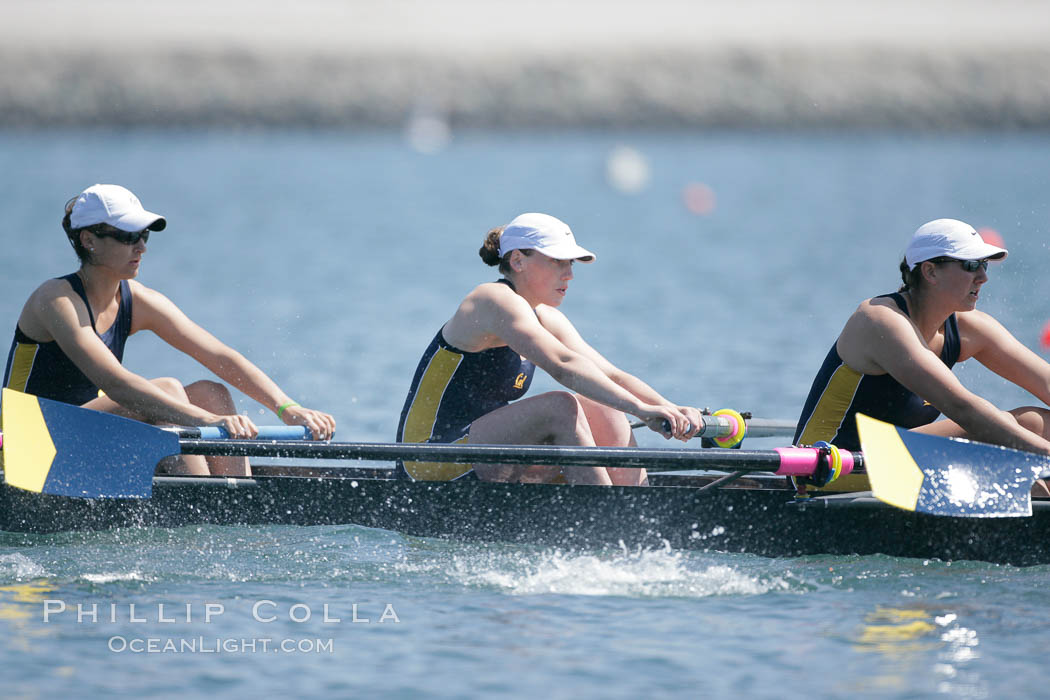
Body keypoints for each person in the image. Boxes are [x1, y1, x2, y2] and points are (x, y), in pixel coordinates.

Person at [2, 184, 336, 477]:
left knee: (212, 393)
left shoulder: (138, 300)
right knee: (170, 390)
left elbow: (218, 354)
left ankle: (236, 495)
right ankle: (205, 505)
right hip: (26, 445)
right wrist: (206, 422)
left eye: (143, 236)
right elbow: (116, 384)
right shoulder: (56, 300)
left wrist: (286, 408)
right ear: (89, 240)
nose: (141, 247)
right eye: (128, 237)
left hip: (81, 435)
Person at [395, 212, 703, 486]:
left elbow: (610, 375)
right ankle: (610, 525)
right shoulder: (491, 300)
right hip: (428, 460)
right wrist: (641, 410)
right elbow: (562, 363)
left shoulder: (544, 316)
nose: (569, 274)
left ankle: (638, 516)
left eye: (570, 264)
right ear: (518, 261)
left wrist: (672, 409)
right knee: (561, 407)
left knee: (604, 403)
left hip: (481, 453)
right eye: (557, 262)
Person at [793, 218, 1050, 491]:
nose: (983, 277)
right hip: (827, 470)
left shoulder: (970, 328)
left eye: (984, 265)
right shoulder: (880, 320)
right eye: (971, 265)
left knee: (1039, 423)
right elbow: (964, 409)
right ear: (930, 272)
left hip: (895, 466)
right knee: (1022, 442)